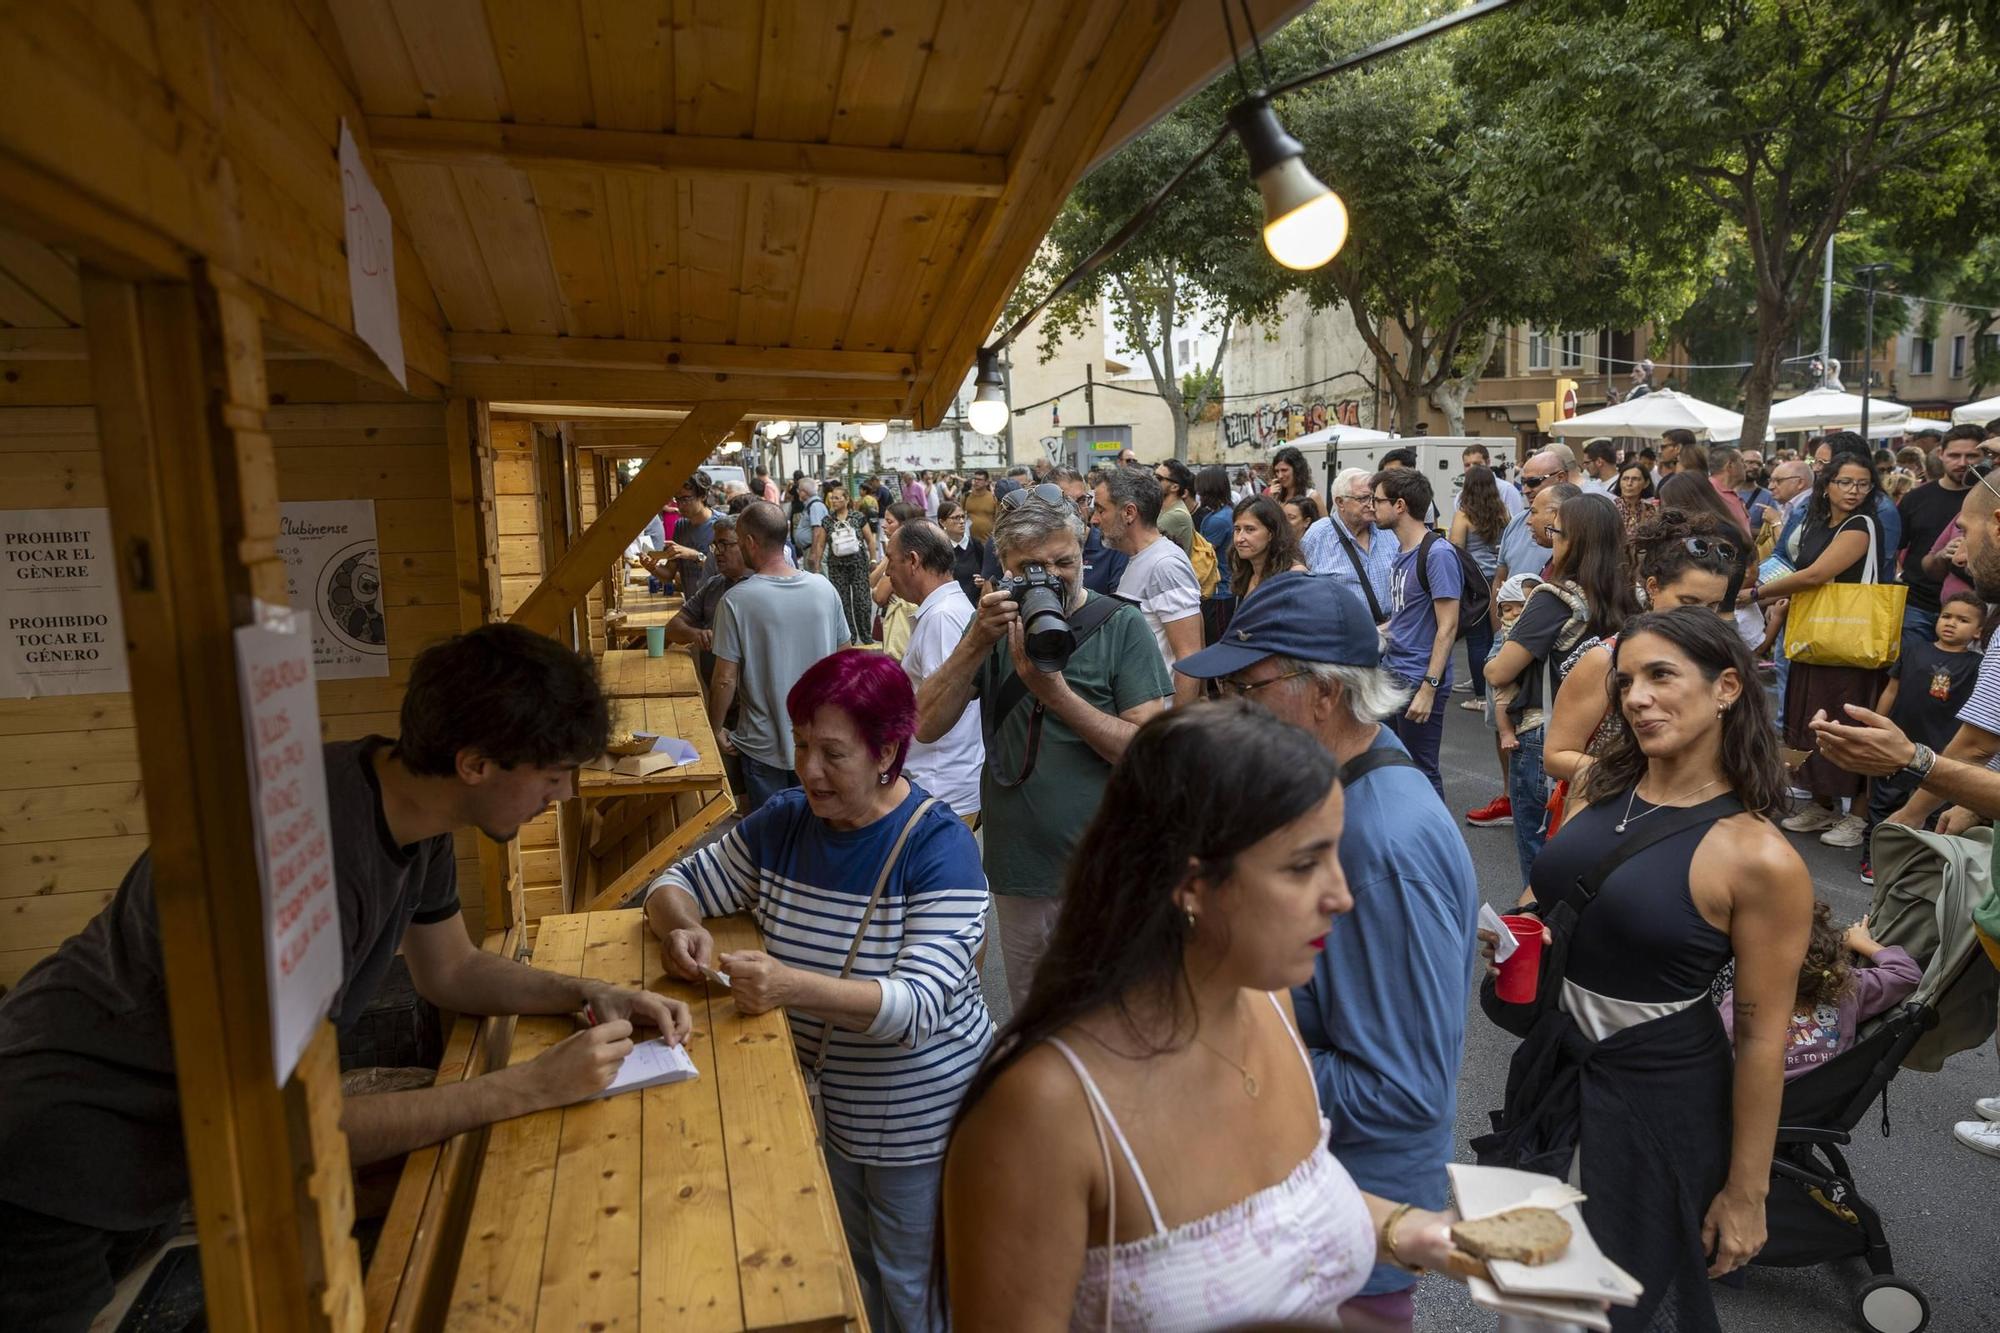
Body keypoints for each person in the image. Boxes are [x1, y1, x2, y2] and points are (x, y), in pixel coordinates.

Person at [0, 626, 695, 1332]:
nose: (565, 795)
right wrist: (532, 1085)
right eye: (552, 776)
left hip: (148, 1144)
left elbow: (450, 970)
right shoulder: (310, 863)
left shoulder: (410, 805)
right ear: (476, 762)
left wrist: (585, 992)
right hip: (54, 1141)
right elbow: (308, 1130)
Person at [941, 704, 1479, 1330]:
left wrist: (1414, 1232)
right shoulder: (1045, 1109)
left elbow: (1276, 1211)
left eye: (1336, 852)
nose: (1342, 895)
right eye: (1304, 865)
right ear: (1192, 886)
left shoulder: (1269, 1005)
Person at [1476, 607, 1813, 1333]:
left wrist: (1747, 1193)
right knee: (1529, 1293)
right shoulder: (1601, 787)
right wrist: (1515, 931)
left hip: (1657, 1100)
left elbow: (1762, 1039)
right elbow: (1551, 895)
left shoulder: (1759, 857)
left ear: (1727, 687)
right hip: (1551, 1072)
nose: (1635, 697)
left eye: (1662, 675)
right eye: (1626, 680)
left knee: (1609, 1303)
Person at [644, 651, 990, 1333]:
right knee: (853, 1270)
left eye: (833, 753)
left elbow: (914, 1008)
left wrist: (786, 985)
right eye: (801, 744)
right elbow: (668, 884)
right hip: (828, 1110)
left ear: (888, 749)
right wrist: (683, 929)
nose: (807, 769)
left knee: (915, 1287)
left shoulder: (940, 849)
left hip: (919, 1118)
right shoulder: (785, 820)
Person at [1169, 578, 1478, 1330]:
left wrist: (1217, 1049)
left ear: (1324, 694)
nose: (1226, 706)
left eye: (1247, 686)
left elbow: (1405, 1088)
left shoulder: (1381, 841)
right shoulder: (1350, 784)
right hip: (1321, 1208)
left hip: (1344, 1237)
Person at [914, 501, 1171, 1011]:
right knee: (1037, 1016)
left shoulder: (1121, 625)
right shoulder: (990, 628)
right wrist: (973, 644)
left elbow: (1149, 753)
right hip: (1022, 866)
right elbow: (923, 724)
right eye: (1034, 568)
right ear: (1004, 569)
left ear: (1083, 554)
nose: (1053, 577)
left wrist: (1054, 694)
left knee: (1109, 1015)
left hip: (1106, 868)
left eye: (1065, 562)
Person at [1486, 494, 1640, 888]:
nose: (1551, 537)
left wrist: (1495, 654)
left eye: (1556, 531)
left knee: (1542, 864)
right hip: (1610, 736)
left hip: (1548, 733)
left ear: (1575, 541)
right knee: (1592, 854)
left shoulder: (1555, 598)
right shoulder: (1633, 599)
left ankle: (1542, 936)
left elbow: (1501, 670)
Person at [1544, 507, 1741, 792]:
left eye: (1713, 606)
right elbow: (1556, 756)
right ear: (1653, 587)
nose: (1701, 616)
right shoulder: (1607, 659)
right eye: (1688, 601)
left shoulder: (1716, 656)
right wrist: (1646, 781)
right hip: (1614, 811)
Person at [1755, 452, 1890, 847]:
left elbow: (1814, 575)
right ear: (1827, 485)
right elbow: (1795, 566)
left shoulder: (1861, 524)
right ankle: (1822, 803)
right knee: (1810, 717)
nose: (1854, 490)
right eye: (1846, 482)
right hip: (1816, 635)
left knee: (1848, 722)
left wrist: (1754, 594)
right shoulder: (1817, 521)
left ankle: (1858, 816)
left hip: (1850, 640)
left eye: (1863, 483)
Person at [712, 501, 850, 813]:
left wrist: (716, 727)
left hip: (763, 746)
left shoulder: (735, 601)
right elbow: (846, 661)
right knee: (819, 832)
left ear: (749, 542)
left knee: (773, 843)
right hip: (821, 740)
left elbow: (724, 679)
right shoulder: (824, 589)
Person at [1851, 591, 1984, 879]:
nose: (1951, 623)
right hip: (1900, 743)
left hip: (1943, 750)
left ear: (1978, 631)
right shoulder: (1913, 650)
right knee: (1885, 802)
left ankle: (1925, 869)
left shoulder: (1977, 666)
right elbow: (1891, 690)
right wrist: (1876, 724)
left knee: (1936, 810)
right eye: (1947, 616)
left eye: (1963, 620)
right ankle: (1874, 859)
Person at [1719, 907, 1921, 1081]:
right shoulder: (1848, 988)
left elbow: (1710, 1053)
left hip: (1744, 1106)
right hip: (1811, 1107)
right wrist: (1861, 942)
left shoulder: (1742, 1001)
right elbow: (1907, 973)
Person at [887, 519, 984, 830]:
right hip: (941, 782)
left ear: (913, 561)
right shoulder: (944, 611)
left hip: (942, 787)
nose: (887, 572)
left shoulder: (942, 618)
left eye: (890, 560)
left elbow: (944, 707)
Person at [1373, 467, 1461, 800]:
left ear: (1399, 505)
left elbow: (1447, 626)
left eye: (1377, 500)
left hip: (1418, 680)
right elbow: (1404, 618)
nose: (1372, 507)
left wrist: (1429, 688)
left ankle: (1437, 847)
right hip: (1394, 673)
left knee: (1422, 771)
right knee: (1396, 765)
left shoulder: (1437, 554)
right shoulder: (1401, 552)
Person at [1094, 466, 1204, 705]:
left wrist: (1173, 731)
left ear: (1129, 513)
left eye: (1101, 509)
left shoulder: (1165, 565)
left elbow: (1189, 656)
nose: (1094, 519)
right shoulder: (1140, 559)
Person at [1896, 423, 1983, 655]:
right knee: (1912, 675)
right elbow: (1896, 548)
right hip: (1918, 605)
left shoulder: (1987, 499)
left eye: (1971, 455)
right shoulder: (1916, 498)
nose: (1963, 462)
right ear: (1941, 454)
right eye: (1955, 455)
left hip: (1972, 613)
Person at [1304, 465, 1397, 623]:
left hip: (1391, 632)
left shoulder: (1387, 530)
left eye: (1373, 498)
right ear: (1340, 502)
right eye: (1363, 498)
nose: (1371, 504)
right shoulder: (1318, 535)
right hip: (1343, 636)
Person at [1450, 464, 1510, 712]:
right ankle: (1495, 690)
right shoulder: (1502, 513)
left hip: (1475, 583)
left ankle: (1480, 696)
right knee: (1497, 636)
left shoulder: (1463, 515)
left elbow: (1456, 550)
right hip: (1498, 580)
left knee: (1477, 640)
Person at [1493, 452, 1573, 586]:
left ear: (1561, 478)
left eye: (1533, 482)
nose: (1525, 490)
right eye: (1523, 482)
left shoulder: (1582, 525)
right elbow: (1500, 579)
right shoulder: (1517, 522)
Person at [822, 480, 880, 646]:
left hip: (858, 564)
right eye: (832, 498)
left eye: (838, 498)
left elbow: (870, 539)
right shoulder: (827, 520)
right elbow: (820, 543)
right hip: (837, 566)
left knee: (862, 600)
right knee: (842, 601)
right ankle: (850, 636)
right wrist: (817, 564)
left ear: (847, 500)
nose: (834, 501)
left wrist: (874, 558)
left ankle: (866, 634)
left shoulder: (858, 517)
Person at [1226, 494, 1307, 607]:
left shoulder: (1294, 575)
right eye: (1237, 529)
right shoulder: (1245, 573)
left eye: (1250, 529)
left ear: (1271, 533)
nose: (1239, 538)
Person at [870, 502, 925, 659]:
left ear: (903, 525)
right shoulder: (894, 551)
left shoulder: (903, 554)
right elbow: (872, 581)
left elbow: (879, 595)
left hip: (903, 620)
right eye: (884, 520)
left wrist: (875, 591)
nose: (883, 525)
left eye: (889, 521)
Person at [1193, 465, 1238, 643]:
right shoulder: (1225, 513)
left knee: (1216, 642)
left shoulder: (1217, 520)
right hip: (1223, 591)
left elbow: (1202, 558)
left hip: (1218, 593)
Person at [937, 499, 986, 606]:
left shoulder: (976, 545)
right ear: (942, 522)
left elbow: (987, 574)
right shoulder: (939, 549)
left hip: (975, 606)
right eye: (956, 518)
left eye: (963, 517)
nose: (962, 521)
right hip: (950, 607)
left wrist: (983, 581)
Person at [1458, 442, 1526, 515]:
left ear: (1488, 463)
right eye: (1467, 465)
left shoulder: (1507, 490)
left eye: (1476, 464)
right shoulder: (1460, 496)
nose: (1472, 468)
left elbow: (1516, 523)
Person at [1152, 457, 1197, 556]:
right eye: (1153, 475)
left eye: (1158, 478)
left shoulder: (1176, 516)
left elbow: (1141, 540)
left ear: (1175, 487)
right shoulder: (1166, 509)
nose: (1153, 480)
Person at [790, 475, 830, 573]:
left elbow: (817, 530)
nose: (798, 493)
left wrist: (813, 553)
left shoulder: (815, 506)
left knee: (818, 576)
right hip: (809, 548)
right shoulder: (810, 505)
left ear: (804, 492)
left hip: (813, 548)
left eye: (799, 490)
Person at [1614, 458, 1657, 535]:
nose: (1629, 483)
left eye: (1635, 479)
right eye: (1625, 479)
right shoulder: (1612, 509)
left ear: (1646, 483)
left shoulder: (1650, 510)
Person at [963, 470, 998, 543]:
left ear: (986, 482)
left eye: (979, 479)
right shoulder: (966, 497)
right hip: (970, 543)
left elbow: (997, 519)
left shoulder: (993, 498)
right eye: (975, 479)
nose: (976, 481)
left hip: (988, 542)